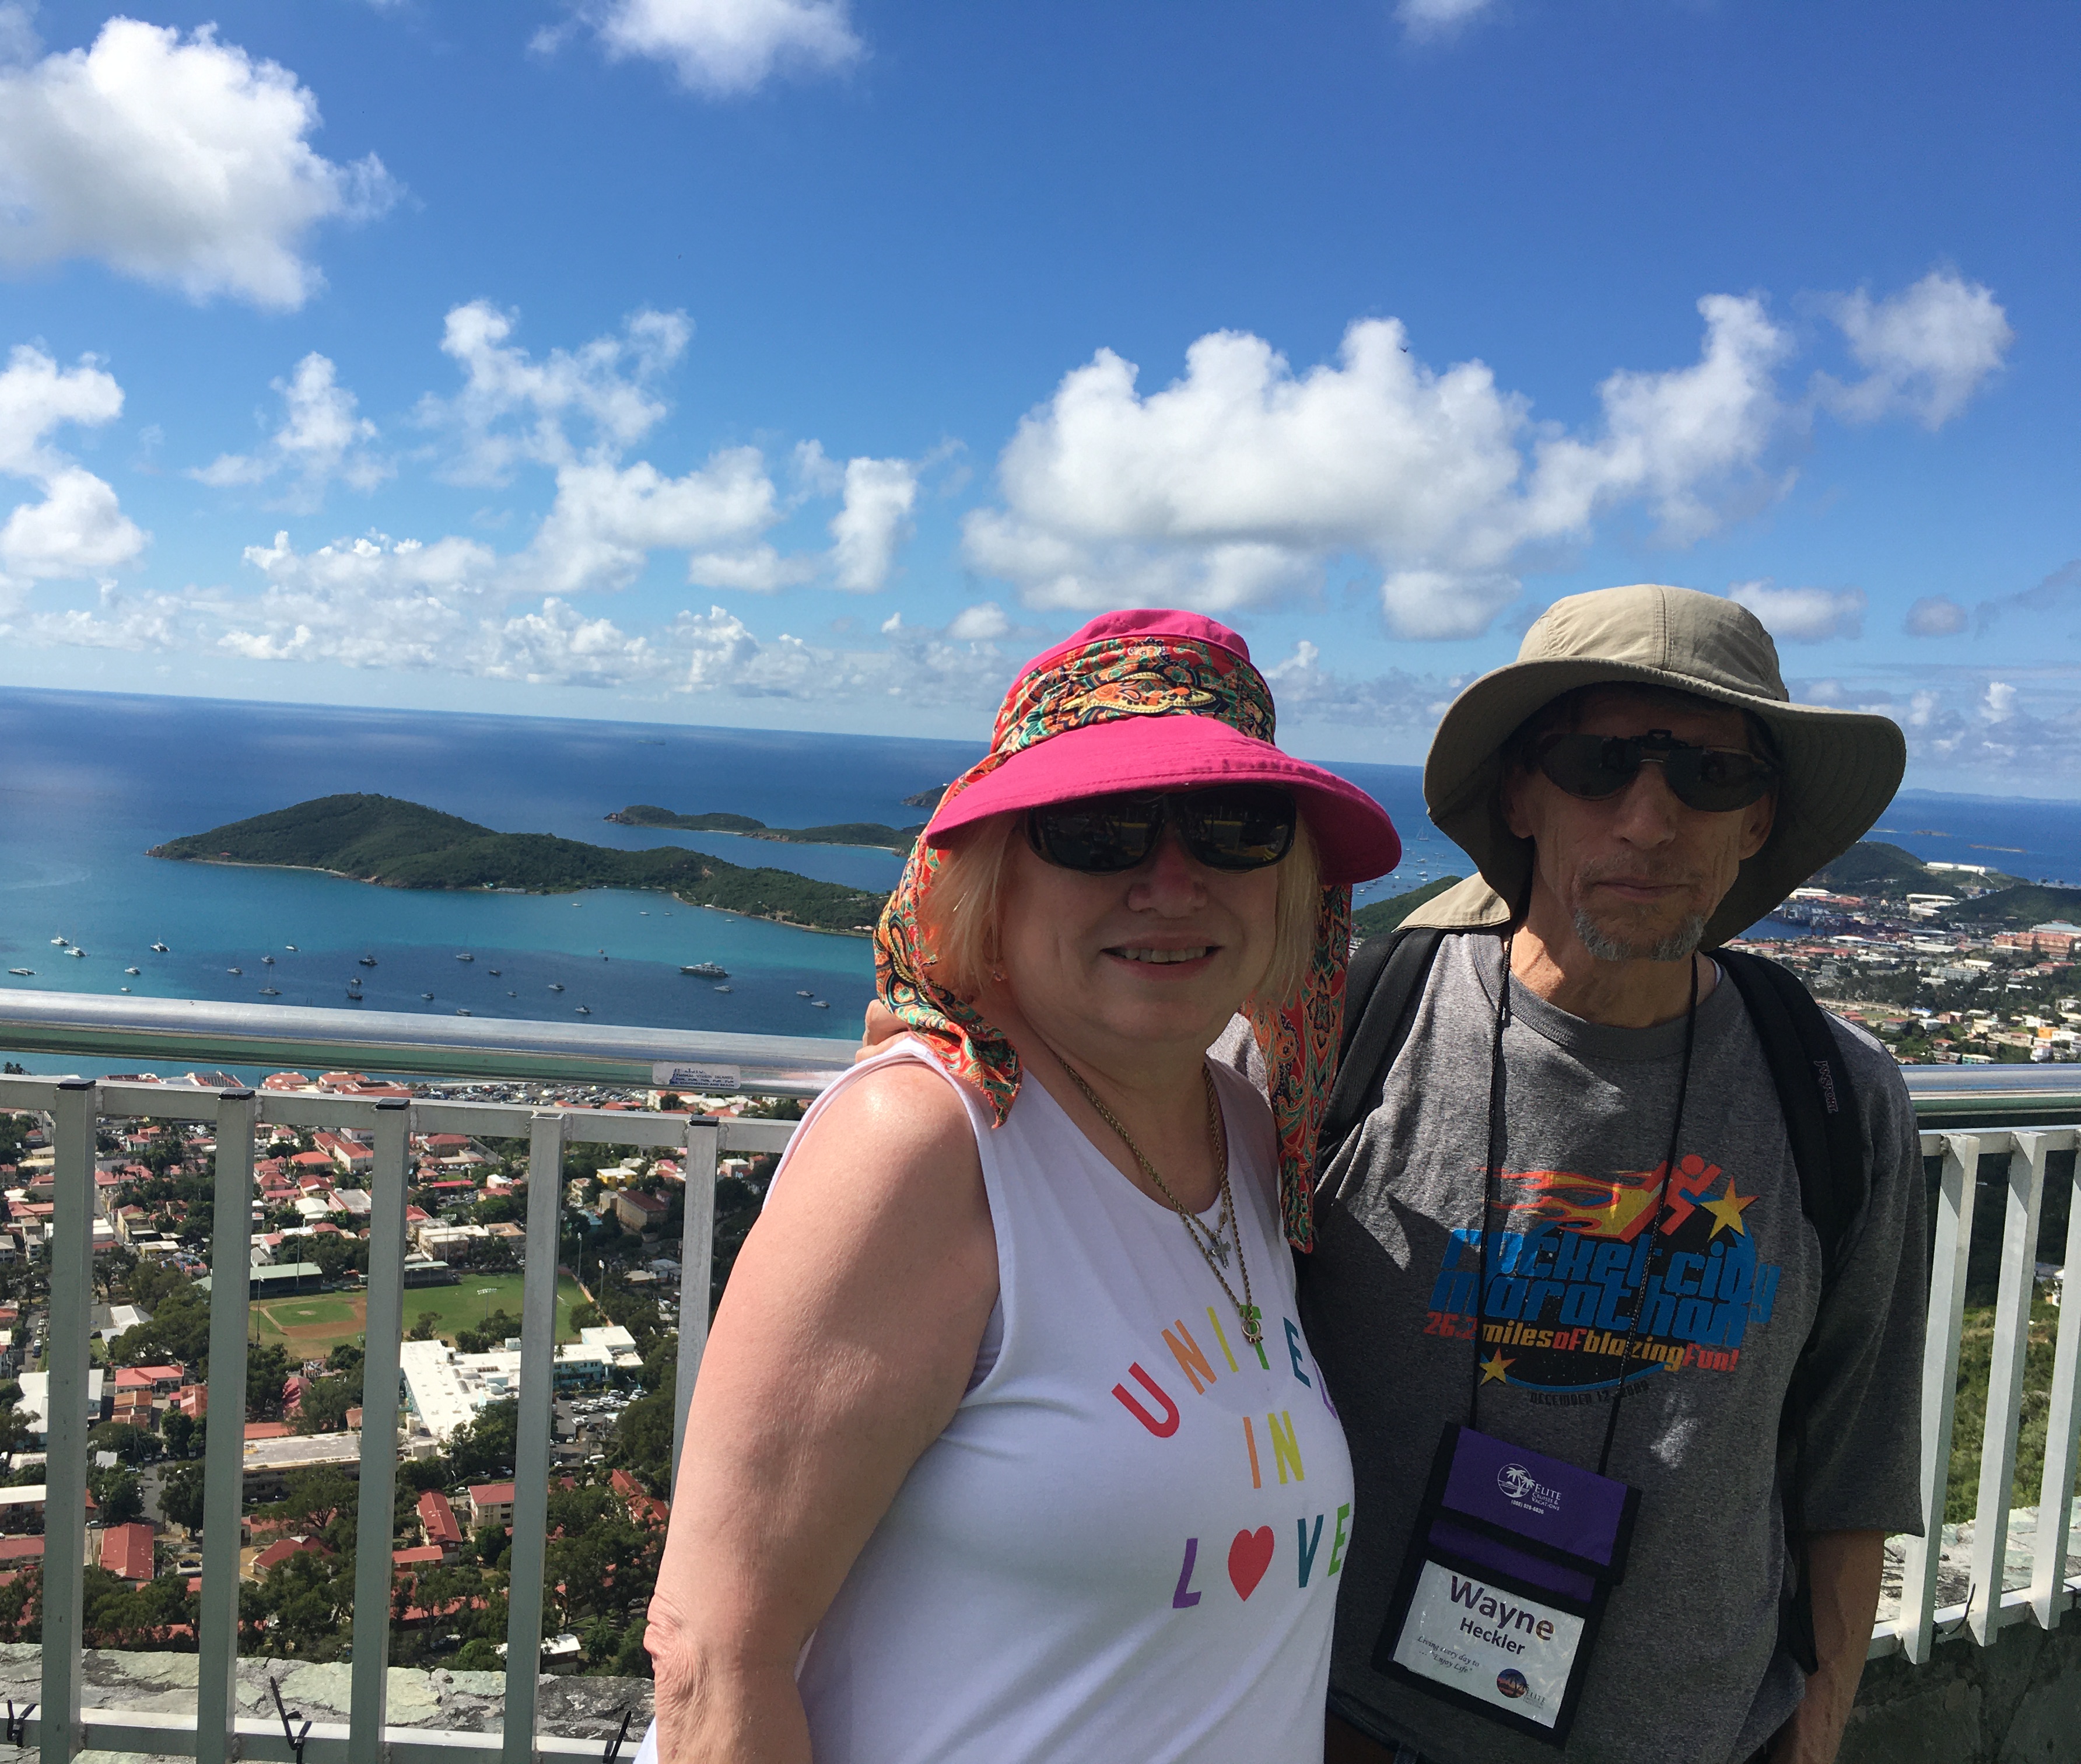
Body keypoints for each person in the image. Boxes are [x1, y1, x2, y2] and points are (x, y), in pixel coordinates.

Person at [640, 608, 1402, 1764]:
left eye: (1235, 826)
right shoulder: (928, 1141)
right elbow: (714, 1661)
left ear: (1289, 878)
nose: (1173, 882)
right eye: (1101, 829)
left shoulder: (1247, 1135)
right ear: (996, 879)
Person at [1298, 584, 1926, 1764]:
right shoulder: (1344, 1040)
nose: (1649, 820)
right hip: (1355, 1728)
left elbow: (1856, 1461)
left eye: (1710, 776)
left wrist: (1821, 1730)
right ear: (1524, 796)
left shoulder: (1838, 1099)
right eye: (1597, 764)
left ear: (1757, 822)